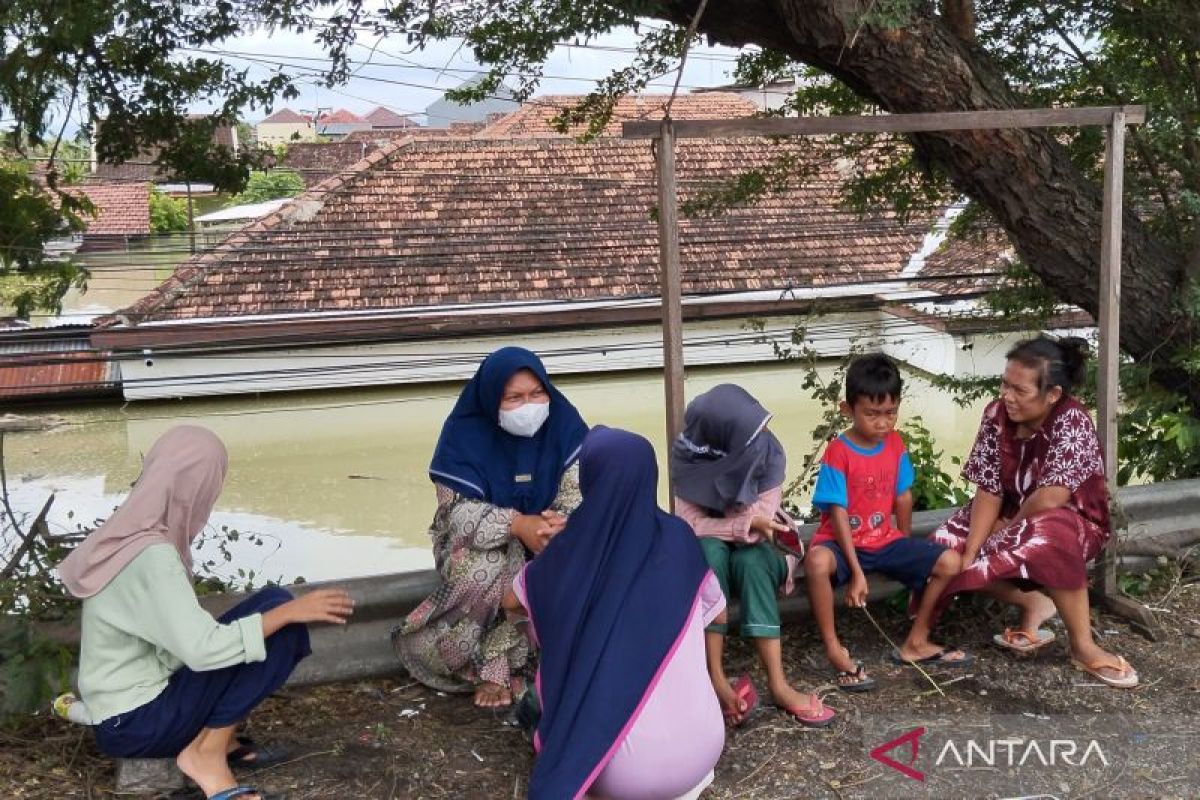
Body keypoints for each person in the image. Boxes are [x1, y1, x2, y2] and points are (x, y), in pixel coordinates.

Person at [55, 426, 354, 800]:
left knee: (273, 600)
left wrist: (283, 610)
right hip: (138, 724)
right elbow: (202, 651)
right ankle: (206, 758)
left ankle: (216, 742)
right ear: (193, 486)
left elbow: (181, 640)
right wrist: (294, 613)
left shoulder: (127, 535)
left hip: (121, 715)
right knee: (285, 628)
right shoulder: (152, 555)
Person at [505, 426, 725, 800]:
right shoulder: (680, 539)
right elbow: (717, 616)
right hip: (703, 754)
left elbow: (511, 605)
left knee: (551, 674)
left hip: (627, 778)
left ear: (590, 479)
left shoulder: (568, 551)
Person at [928, 336, 1138, 688]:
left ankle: (1083, 646)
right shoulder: (997, 414)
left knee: (1048, 534)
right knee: (943, 548)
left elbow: (1051, 498)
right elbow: (989, 486)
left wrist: (1006, 529)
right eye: (1004, 385)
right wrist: (974, 546)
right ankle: (1035, 605)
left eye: (1019, 390)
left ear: (1052, 394)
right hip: (1010, 513)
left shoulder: (1072, 421)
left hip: (1072, 524)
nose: (1007, 396)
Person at [392, 346, 588, 708]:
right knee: (490, 566)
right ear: (490, 398)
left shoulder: (564, 422)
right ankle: (490, 668)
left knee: (573, 558)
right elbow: (457, 514)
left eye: (536, 394)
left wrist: (555, 524)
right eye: (514, 398)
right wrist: (516, 524)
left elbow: (579, 491)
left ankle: (541, 662)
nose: (529, 406)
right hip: (473, 542)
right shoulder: (463, 434)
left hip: (548, 535)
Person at [670, 384, 833, 727]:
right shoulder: (690, 456)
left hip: (764, 545)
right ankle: (714, 678)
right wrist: (739, 526)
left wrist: (740, 526)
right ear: (720, 439)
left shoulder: (768, 451)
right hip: (714, 546)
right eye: (747, 434)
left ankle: (778, 683)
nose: (761, 437)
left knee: (752, 559)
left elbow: (763, 525)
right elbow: (688, 523)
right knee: (709, 556)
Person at [804, 354, 967, 691]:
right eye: (872, 414)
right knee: (816, 561)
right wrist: (857, 572)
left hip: (884, 540)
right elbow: (837, 514)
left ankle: (916, 641)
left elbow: (903, 497)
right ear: (847, 409)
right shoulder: (838, 451)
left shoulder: (895, 443)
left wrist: (904, 545)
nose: (882, 423)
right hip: (842, 542)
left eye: (890, 413)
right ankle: (834, 648)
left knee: (951, 562)